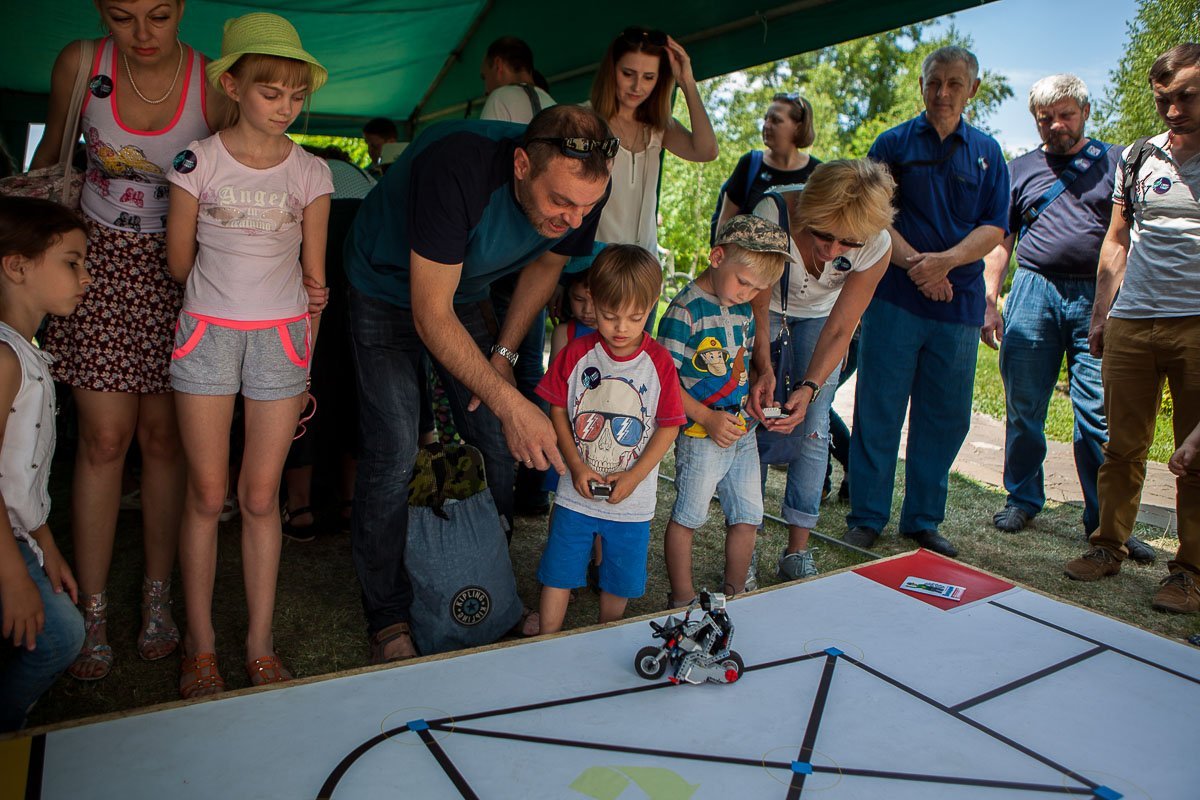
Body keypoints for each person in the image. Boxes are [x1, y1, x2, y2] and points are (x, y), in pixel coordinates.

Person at [343, 104, 613, 662]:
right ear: (520, 163)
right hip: (383, 283)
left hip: (464, 291)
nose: (573, 217)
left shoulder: (585, 192)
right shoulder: (458, 163)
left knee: (492, 438)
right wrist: (512, 403)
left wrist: (505, 354)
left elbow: (544, 268)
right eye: (560, 202)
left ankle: (482, 584)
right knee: (394, 449)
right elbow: (429, 315)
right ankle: (388, 615)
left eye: (585, 207)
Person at [28, 0, 225, 682]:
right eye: (122, 16)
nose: (140, 34)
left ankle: (158, 597)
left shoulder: (211, 81)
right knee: (105, 442)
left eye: (158, 15)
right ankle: (94, 607)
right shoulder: (81, 63)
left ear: (182, 9)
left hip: (180, 268)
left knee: (165, 441)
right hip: (96, 266)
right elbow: (51, 167)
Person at [165, 12, 332, 697]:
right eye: (272, 92)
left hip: (282, 340)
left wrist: (303, 339)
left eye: (297, 95)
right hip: (206, 331)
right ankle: (200, 647)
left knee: (260, 496)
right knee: (207, 493)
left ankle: (259, 643)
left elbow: (315, 279)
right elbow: (178, 263)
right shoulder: (195, 162)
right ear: (232, 84)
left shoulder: (312, 171)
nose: (287, 106)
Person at [980, 74, 1156, 564]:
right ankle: (1022, 498)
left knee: (1099, 414)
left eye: (1065, 115)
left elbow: (1132, 235)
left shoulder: (1120, 162)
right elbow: (1001, 240)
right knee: (1024, 404)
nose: (1055, 125)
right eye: (1045, 117)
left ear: (1084, 113)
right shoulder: (1018, 169)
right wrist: (990, 300)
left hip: (1099, 297)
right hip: (1034, 289)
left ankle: (1105, 521)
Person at [845, 46, 1009, 557]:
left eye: (954, 84)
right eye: (934, 82)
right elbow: (872, 215)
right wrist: (922, 266)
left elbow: (995, 227)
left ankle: (922, 519)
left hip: (957, 307)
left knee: (945, 416)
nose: (943, 93)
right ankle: (867, 516)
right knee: (878, 407)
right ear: (922, 85)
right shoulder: (891, 143)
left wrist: (946, 264)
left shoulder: (987, 153)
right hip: (894, 297)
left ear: (972, 90)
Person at [1064, 43, 1200, 614]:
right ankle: (1107, 546)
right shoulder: (1139, 157)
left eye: (1186, 96)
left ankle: (1189, 572)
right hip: (1131, 322)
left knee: (1195, 458)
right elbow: (1116, 240)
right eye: (1163, 99)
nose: (1172, 110)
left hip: (1196, 326)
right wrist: (1101, 313)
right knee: (1121, 448)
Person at [750, 160, 895, 579]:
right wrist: (763, 367)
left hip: (822, 319)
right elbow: (757, 301)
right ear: (806, 213)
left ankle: (797, 550)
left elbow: (841, 327)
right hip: (767, 309)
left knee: (813, 427)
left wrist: (811, 386)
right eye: (822, 235)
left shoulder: (878, 243)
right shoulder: (773, 213)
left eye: (846, 242)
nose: (832, 251)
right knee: (757, 415)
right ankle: (747, 540)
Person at [536, 245, 683, 632]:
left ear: (652, 306)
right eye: (609, 315)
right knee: (559, 571)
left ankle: (605, 638)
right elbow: (557, 410)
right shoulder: (575, 354)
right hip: (575, 493)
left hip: (632, 503)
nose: (621, 328)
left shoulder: (660, 364)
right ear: (593, 303)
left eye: (635, 317)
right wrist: (576, 465)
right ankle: (544, 643)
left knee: (618, 578)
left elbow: (669, 425)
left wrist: (633, 478)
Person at [657, 215, 790, 606]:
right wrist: (707, 418)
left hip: (742, 431)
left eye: (758, 289)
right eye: (743, 282)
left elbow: (740, 366)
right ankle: (681, 599)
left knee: (748, 515)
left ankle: (735, 595)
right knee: (688, 517)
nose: (747, 293)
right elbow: (665, 382)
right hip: (702, 434)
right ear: (717, 257)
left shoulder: (744, 310)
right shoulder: (685, 311)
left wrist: (752, 399)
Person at [0, 198, 89, 732]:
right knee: (57, 637)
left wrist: (45, 547)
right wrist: (13, 575)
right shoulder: (4, 358)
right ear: (17, 266)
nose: (86, 277)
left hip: (17, 534)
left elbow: (20, 475)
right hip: (4, 546)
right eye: (71, 262)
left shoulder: (24, 350)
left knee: (58, 630)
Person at [589, 26, 717, 257]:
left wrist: (686, 80)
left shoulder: (659, 127)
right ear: (611, 70)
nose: (637, 86)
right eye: (628, 74)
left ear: (660, 80)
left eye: (649, 77)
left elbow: (707, 151)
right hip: (592, 266)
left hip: (643, 268)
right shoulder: (584, 120)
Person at [715, 93, 821, 237]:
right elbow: (724, 222)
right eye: (766, 119)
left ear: (798, 127)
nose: (766, 125)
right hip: (747, 257)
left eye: (776, 120)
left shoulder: (817, 172)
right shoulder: (750, 163)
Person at [479, 36, 555, 124]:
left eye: (484, 77)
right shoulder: (552, 104)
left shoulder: (498, 99)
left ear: (498, 65)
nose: (486, 91)